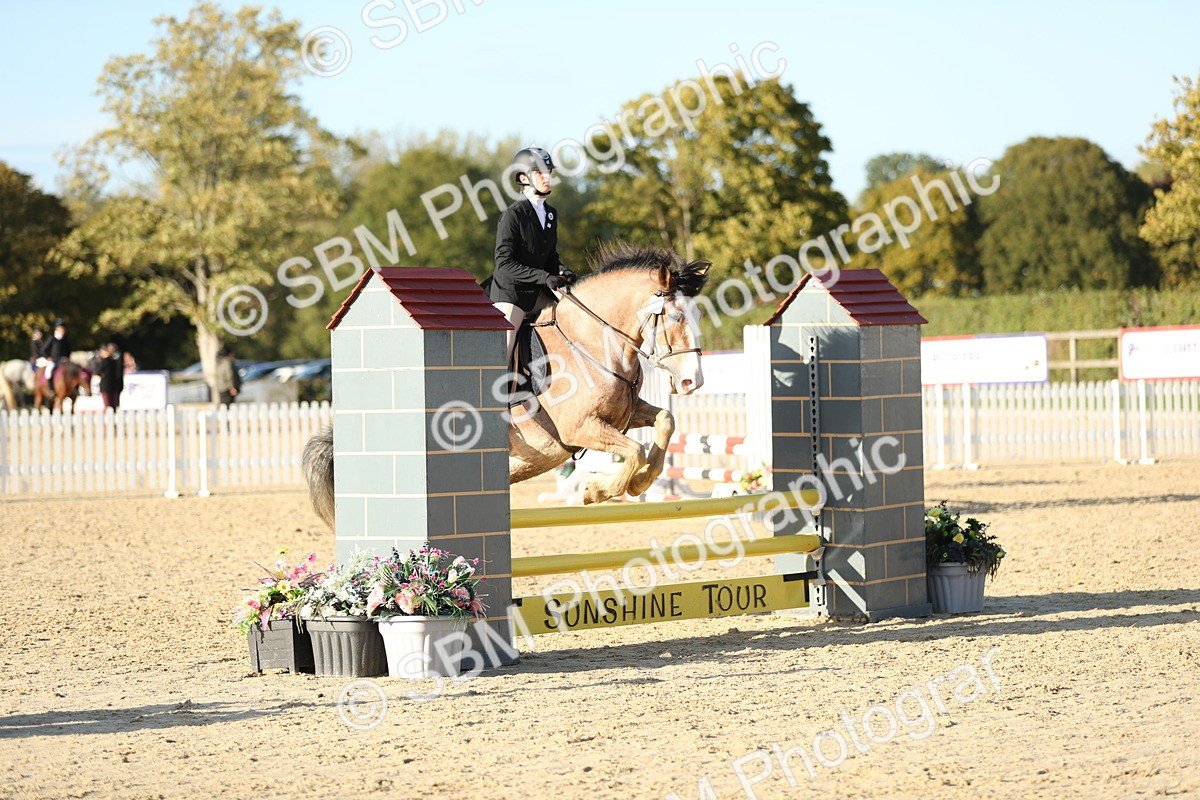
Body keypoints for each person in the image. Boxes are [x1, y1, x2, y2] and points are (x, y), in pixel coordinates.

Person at [483, 146, 578, 368]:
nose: (547, 177)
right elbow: (504, 263)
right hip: (512, 294)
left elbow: (549, 256)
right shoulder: (512, 215)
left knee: (572, 319)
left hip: (538, 293)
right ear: (523, 177)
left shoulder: (551, 214)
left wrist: (562, 271)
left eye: (548, 172)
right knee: (503, 352)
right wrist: (544, 277)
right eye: (539, 172)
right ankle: (500, 387)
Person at [39, 320, 72, 385]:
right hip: (53, 361)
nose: (62, 330)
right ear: (57, 329)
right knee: (48, 372)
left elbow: (69, 350)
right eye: (61, 328)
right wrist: (48, 357)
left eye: (63, 328)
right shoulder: (52, 338)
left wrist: (67, 357)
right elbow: (43, 350)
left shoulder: (66, 339)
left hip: (64, 361)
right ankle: (50, 388)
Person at [96, 343, 125, 411]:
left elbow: (98, 371)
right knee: (114, 404)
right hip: (115, 385)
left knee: (108, 404)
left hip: (106, 385)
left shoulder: (104, 361)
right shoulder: (115, 361)